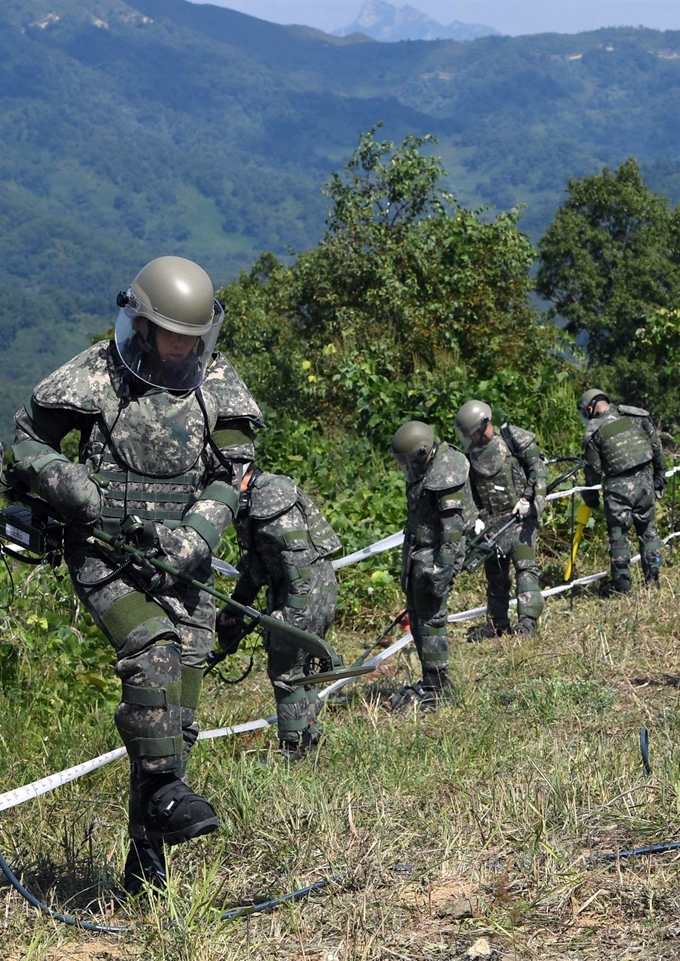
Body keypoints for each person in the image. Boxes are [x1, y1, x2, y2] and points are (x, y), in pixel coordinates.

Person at [7, 256, 264, 895]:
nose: (181, 349)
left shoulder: (217, 383)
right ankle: (164, 803)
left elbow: (234, 474)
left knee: (173, 719)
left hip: (186, 564)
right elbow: (24, 443)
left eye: (192, 338)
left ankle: (144, 866)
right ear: (142, 326)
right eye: (170, 334)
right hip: (104, 558)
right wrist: (64, 480)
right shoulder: (97, 374)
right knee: (153, 652)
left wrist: (197, 535)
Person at [216, 468, 340, 758]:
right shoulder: (249, 502)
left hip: (306, 589)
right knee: (296, 667)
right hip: (291, 588)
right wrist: (236, 606)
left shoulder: (272, 496)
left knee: (286, 668)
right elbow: (257, 565)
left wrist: (291, 616)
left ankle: (294, 747)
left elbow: (299, 564)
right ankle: (308, 736)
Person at [390, 421, 475, 711]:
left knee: (430, 620)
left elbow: (451, 532)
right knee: (417, 618)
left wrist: (441, 571)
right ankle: (430, 679)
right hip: (419, 550)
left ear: (424, 452)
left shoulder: (445, 472)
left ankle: (437, 687)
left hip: (435, 555)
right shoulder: (425, 467)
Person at [455, 400, 546, 639]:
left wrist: (529, 499)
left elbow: (538, 469)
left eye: (473, 432)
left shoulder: (512, 438)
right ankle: (498, 625)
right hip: (492, 525)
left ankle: (527, 623)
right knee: (495, 577)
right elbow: (469, 492)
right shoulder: (470, 456)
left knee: (525, 569)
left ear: (485, 424)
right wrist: (474, 518)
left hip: (520, 518)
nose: (472, 439)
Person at [578, 388, 666, 593]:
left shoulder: (595, 432)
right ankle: (653, 582)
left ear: (590, 408)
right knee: (648, 532)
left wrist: (591, 499)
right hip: (645, 483)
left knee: (618, 536)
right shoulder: (636, 416)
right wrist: (660, 476)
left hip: (617, 490)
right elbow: (657, 448)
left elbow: (593, 472)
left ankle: (622, 587)